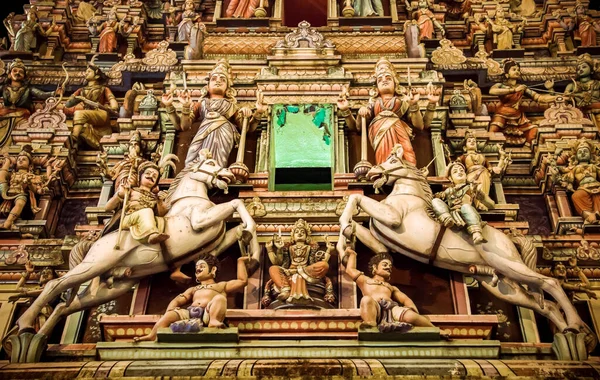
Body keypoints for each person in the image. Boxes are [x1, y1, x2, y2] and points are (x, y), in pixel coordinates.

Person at [163, 59, 267, 167]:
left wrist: (258, 113)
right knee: (193, 163)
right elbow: (184, 126)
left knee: (217, 164)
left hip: (223, 134)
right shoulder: (201, 103)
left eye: (223, 80)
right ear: (207, 87)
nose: (218, 81)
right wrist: (183, 106)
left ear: (227, 88)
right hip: (203, 134)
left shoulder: (232, 106)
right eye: (213, 79)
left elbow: (247, 129)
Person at [337, 57, 438, 165]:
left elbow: (421, 126)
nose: (384, 80)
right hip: (379, 133)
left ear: (395, 84)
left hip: (400, 132)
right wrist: (346, 110)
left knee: (407, 159)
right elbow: (357, 127)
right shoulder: (373, 104)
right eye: (380, 79)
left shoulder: (403, 102)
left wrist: (421, 104)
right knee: (385, 161)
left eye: (388, 78)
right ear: (376, 87)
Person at [133, 254, 250, 342]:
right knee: (169, 315)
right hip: (190, 313)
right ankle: (152, 335)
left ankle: (214, 321)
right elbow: (179, 299)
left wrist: (240, 262)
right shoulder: (194, 289)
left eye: (202, 266)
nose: (198, 269)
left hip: (207, 314)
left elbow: (242, 281)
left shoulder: (220, 286)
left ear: (213, 269)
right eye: (197, 267)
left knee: (220, 299)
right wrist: (171, 309)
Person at [343, 249, 435, 332]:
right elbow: (350, 270)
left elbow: (405, 299)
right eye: (385, 265)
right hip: (375, 308)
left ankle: (434, 329)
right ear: (375, 268)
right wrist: (352, 254)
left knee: (411, 316)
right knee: (366, 300)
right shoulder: (365, 280)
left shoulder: (391, 287)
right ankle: (370, 323)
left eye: (390, 266)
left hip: (391, 309)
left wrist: (412, 309)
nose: (388, 267)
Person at [489, 59, 557, 146]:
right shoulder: (501, 85)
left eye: (518, 70)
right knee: (493, 131)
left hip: (518, 117)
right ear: (506, 74)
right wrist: (513, 90)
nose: (517, 71)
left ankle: (532, 147)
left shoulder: (522, 88)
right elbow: (492, 91)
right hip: (502, 114)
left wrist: (556, 96)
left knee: (534, 131)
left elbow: (540, 98)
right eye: (514, 69)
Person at [264, 219, 333, 303]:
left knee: (324, 265)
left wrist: (329, 250)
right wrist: (271, 248)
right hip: (289, 271)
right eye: (297, 232)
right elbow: (277, 263)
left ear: (307, 236)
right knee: (273, 268)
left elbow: (316, 263)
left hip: (305, 271)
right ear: (293, 236)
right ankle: (285, 289)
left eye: (302, 232)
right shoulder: (288, 248)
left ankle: (297, 274)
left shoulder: (310, 248)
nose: (299, 233)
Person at [104, 161, 170, 245]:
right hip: (128, 219)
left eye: (154, 176)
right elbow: (107, 208)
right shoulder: (130, 191)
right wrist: (119, 195)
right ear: (139, 176)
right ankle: (151, 235)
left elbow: (162, 214)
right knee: (147, 211)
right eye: (148, 173)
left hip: (144, 219)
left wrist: (160, 201)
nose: (151, 176)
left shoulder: (154, 197)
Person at [0, 145, 63, 229]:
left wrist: (48, 165)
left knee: (20, 203)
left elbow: (43, 184)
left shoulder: (32, 176)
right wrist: (7, 160)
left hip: (21, 194)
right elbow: (2, 175)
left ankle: (8, 222)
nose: (20, 161)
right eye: (18, 159)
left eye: (24, 159)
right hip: (7, 193)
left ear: (30, 166)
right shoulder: (12, 174)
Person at [432, 161, 495, 244]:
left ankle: (476, 233)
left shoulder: (471, 188)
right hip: (452, 215)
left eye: (461, 170)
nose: (459, 172)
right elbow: (434, 197)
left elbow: (492, 205)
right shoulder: (449, 191)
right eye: (455, 171)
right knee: (435, 201)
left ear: (466, 175)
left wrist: (480, 195)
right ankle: (446, 219)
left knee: (465, 207)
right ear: (451, 178)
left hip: (468, 215)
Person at [65, 61, 119, 150]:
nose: (86, 73)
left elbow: (112, 100)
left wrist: (113, 107)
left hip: (101, 113)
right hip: (88, 116)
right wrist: (76, 99)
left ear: (97, 75)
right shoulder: (81, 90)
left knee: (79, 114)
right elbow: (68, 105)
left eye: (89, 71)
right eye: (86, 71)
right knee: (82, 127)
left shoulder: (103, 89)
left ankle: (74, 137)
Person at [457, 130, 510, 209]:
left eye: (474, 141)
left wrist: (502, 158)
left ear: (477, 146)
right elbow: (457, 166)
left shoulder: (483, 157)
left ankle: (482, 203)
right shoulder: (463, 157)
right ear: (465, 147)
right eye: (469, 141)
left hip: (484, 175)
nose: (472, 142)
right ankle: (475, 203)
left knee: (482, 189)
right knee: (474, 189)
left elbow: (492, 170)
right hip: (471, 176)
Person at [552, 139, 600, 224]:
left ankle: (597, 213)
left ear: (591, 155)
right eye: (580, 152)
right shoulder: (574, 169)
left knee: (597, 197)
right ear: (576, 156)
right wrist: (555, 157)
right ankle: (588, 215)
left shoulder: (594, 167)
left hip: (597, 186)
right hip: (583, 188)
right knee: (576, 196)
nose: (583, 153)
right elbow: (562, 171)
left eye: (585, 151)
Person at [565, 53, 600, 126]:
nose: (581, 69)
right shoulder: (572, 85)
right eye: (578, 68)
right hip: (580, 114)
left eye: (584, 67)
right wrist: (551, 89)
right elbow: (564, 97)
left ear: (591, 70)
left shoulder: (598, 84)